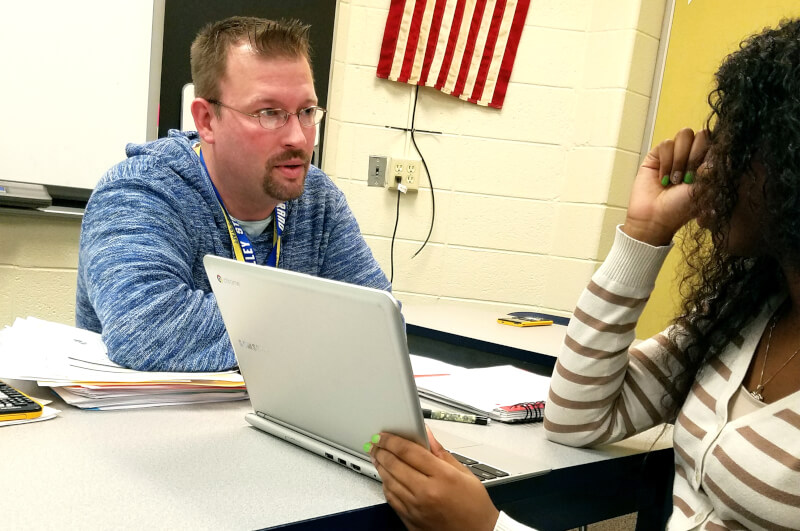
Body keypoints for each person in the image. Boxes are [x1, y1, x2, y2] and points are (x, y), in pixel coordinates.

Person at [367, 18, 800, 531]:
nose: (709, 167)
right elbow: (577, 417)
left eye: (735, 148)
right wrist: (644, 232)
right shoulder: (749, 315)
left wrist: (485, 528)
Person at [76, 17, 389, 372]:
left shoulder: (318, 199)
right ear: (207, 120)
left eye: (305, 112)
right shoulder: (140, 190)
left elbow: (378, 326)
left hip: (280, 420)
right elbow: (146, 330)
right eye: (269, 113)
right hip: (148, 423)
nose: (299, 139)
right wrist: (325, 325)